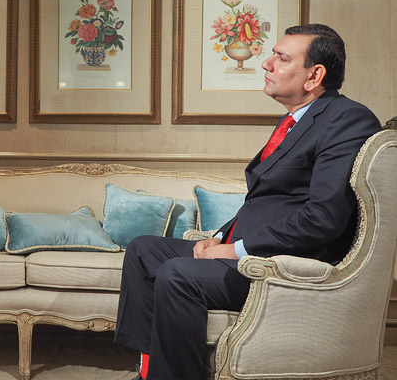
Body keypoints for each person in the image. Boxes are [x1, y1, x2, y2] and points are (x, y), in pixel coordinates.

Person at [114, 23, 382, 379]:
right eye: (272, 54)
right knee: (143, 249)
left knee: (176, 273)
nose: (266, 63)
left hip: (284, 264)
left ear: (314, 75)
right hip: (251, 248)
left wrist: (235, 250)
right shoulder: (294, 120)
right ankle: (149, 367)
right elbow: (268, 200)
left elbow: (322, 217)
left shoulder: (347, 120)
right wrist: (221, 237)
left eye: (281, 57)